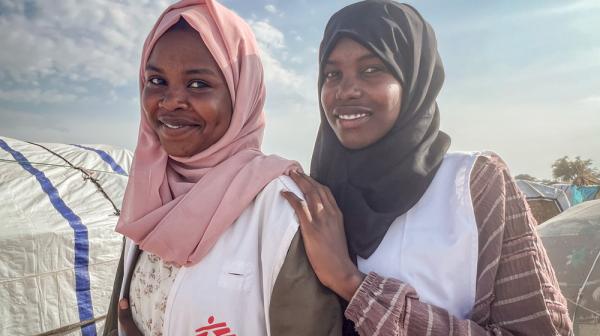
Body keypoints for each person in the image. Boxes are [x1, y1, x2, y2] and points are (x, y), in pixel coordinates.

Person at [280, 1, 573, 335]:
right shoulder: (314, 197)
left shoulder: (472, 184)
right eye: (332, 74)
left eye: (372, 69)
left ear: (415, 78)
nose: (345, 90)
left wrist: (353, 284)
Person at [102, 0, 341, 335]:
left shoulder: (280, 209)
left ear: (241, 94)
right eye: (156, 80)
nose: (170, 101)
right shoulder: (149, 192)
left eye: (198, 84)